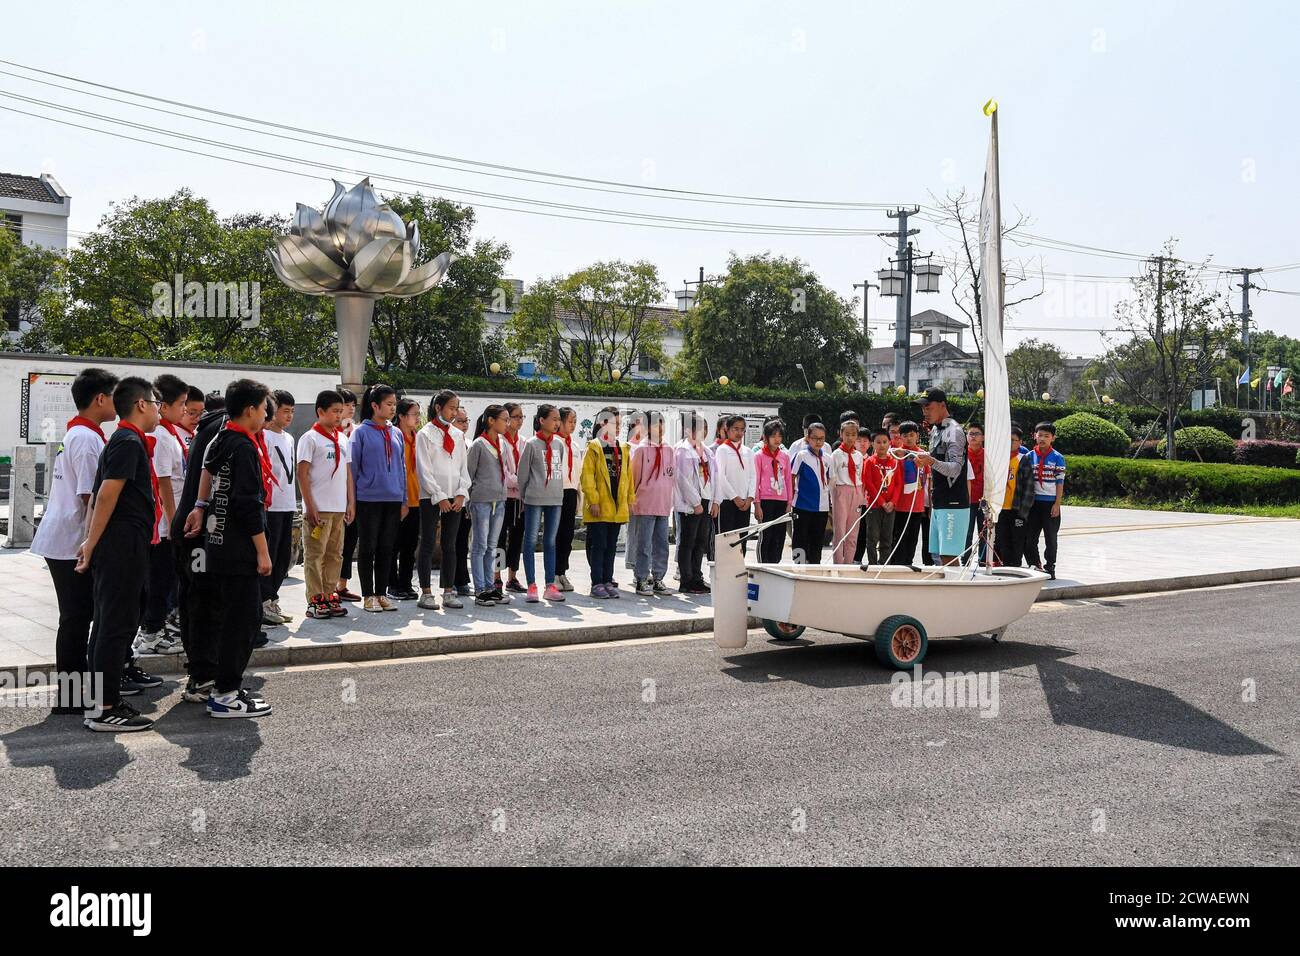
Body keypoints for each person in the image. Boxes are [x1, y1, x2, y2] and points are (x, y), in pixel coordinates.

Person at [76, 377, 163, 732]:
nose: (158, 409)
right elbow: (108, 495)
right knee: (115, 625)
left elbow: (99, 495)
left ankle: (101, 700)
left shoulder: (125, 440)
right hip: (121, 546)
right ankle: (105, 707)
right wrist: (91, 544)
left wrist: (90, 542)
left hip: (122, 544)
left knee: (110, 623)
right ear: (141, 405)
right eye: (156, 402)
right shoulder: (127, 441)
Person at [185, 378, 275, 718]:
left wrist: (199, 505)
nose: (266, 414)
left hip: (216, 543)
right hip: (239, 548)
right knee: (245, 619)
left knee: (227, 617)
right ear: (250, 409)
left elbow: (207, 472)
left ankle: (223, 686)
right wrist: (263, 553)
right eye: (264, 408)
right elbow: (248, 505)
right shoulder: (244, 447)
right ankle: (226, 694)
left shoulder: (221, 437)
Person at [31, 367, 119, 713]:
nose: (117, 403)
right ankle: (69, 697)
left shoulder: (83, 434)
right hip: (71, 541)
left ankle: (75, 690)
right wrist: (94, 544)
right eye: (114, 395)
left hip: (68, 538)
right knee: (76, 617)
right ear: (100, 399)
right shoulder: (86, 439)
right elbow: (90, 497)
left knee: (78, 617)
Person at [135, 373, 188, 655]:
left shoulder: (168, 434)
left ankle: (154, 629)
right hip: (165, 525)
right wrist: (174, 520)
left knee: (163, 579)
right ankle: (152, 633)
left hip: (166, 522)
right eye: (181, 404)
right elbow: (164, 482)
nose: (184, 410)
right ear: (163, 406)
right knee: (160, 580)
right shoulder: (163, 437)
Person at [350, 384, 407, 612]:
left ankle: (381, 593)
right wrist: (351, 501)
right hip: (368, 499)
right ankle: (368, 595)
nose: (393, 408)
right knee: (368, 547)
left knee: (387, 547)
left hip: (393, 499)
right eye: (389, 404)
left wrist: (403, 499)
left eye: (395, 404)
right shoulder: (361, 433)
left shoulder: (396, 432)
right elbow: (353, 469)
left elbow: (401, 467)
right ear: (375, 406)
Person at [297, 390, 353, 620]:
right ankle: (315, 600)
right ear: (320, 411)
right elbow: (302, 474)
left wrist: (351, 502)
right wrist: (310, 506)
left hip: (338, 507)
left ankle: (330, 595)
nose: (339, 416)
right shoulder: (309, 438)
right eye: (334, 411)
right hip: (318, 508)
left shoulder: (342, 438)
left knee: (335, 554)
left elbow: (348, 473)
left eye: (341, 412)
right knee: (315, 554)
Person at [415, 390, 470, 610]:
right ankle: (426, 592)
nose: (454, 412)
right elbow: (424, 470)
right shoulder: (425, 434)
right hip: (431, 496)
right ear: (438, 408)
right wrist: (438, 497)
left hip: (454, 496)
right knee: (428, 542)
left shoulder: (457, 435)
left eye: (457, 408)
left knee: (451, 545)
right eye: (451, 407)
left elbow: (463, 468)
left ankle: (449, 590)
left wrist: (460, 493)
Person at [580, 406, 635, 599]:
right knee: (599, 545)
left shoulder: (623, 448)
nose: (619, 427)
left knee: (611, 546)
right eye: (615, 423)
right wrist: (593, 500)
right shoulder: (594, 447)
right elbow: (587, 477)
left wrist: (629, 500)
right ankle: (597, 582)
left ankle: (608, 579)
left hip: (616, 506)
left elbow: (628, 477)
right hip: (599, 506)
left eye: (620, 424)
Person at [517, 403, 568, 602]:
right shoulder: (531, 444)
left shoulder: (558, 445)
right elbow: (522, 476)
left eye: (558, 420)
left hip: (555, 499)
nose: (557, 423)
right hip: (534, 499)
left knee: (550, 542)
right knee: (530, 541)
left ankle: (550, 585)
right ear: (542, 420)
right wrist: (527, 495)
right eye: (554, 419)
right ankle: (531, 585)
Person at [914, 388, 969, 567]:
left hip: (953, 502)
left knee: (949, 555)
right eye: (923, 408)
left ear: (942, 405)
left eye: (928, 407)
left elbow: (955, 469)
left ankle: (955, 592)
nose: (925, 412)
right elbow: (935, 463)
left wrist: (930, 461)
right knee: (939, 555)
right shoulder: (936, 430)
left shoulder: (954, 430)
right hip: (939, 501)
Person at [467, 405, 511, 606]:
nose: (507, 423)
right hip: (481, 501)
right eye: (504, 419)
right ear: (491, 420)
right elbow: (469, 474)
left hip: (499, 500)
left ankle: (490, 586)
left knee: (492, 546)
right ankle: (480, 589)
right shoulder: (478, 444)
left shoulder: (502, 443)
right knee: (480, 545)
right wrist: (468, 501)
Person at [261, 390, 298, 624]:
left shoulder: (289, 438)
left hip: (287, 504)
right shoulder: (263, 437)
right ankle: (263, 602)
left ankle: (273, 598)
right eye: (285, 411)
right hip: (270, 506)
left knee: (284, 558)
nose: (289, 416)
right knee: (271, 555)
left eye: (292, 412)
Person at [629, 410, 675, 595]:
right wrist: (632, 500)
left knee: (662, 544)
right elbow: (634, 478)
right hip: (645, 504)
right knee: (644, 544)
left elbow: (672, 476)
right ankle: (641, 577)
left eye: (662, 423)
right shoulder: (641, 449)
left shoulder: (668, 449)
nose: (660, 427)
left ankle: (658, 578)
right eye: (656, 423)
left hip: (663, 504)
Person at [674, 412, 715, 594]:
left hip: (705, 499)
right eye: (699, 428)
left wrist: (715, 501)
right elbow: (683, 480)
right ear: (688, 430)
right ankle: (686, 580)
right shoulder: (683, 450)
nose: (703, 432)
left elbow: (714, 477)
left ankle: (697, 577)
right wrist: (696, 503)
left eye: (705, 428)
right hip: (691, 504)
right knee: (688, 542)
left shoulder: (705, 451)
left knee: (701, 542)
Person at [388, 397, 423, 603]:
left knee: (410, 546)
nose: (417, 418)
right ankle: (392, 584)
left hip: (417, 498)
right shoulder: (394, 437)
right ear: (401, 416)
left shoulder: (419, 438)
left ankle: (406, 583)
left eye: (419, 414)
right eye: (414, 414)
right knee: (393, 545)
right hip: (398, 499)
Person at [1023, 421, 1066, 579]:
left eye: (1046, 436)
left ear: (1053, 438)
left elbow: (1060, 483)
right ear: (1034, 436)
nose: (1042, 438)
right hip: (1033, 504)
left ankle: (1050, 567)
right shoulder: (1028, 457)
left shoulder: (1057, 458)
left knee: (1050, 538)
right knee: (1030, 538)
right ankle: (1035, 564)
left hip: (1050, 504)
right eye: (1039, 435)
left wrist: (1057, 504)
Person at [788, 423, 830, 564]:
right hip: (802, 505)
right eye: (814, 438)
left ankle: (814, 566)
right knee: (800, 537)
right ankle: (798, 565)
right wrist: (791, 497)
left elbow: (830, 480)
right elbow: (792, 476)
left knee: (817, 539)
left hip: (821, 507)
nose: (818, 441)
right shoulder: (801, 456)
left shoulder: (827, 458)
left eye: (821, 438)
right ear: (807, 438)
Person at [995, 424, 1035, 568]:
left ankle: (1016, 569)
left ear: (1020, 442)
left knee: (1017, 542)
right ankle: (1006, 568)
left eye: (1012, 440)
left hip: (1016, 509)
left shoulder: (1022, 459)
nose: (1009, 443)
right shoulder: (998, 459)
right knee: (1003, 542)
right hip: (1000, 509)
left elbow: (1029, 489)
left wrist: (1022, 514)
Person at [752, 419, 792, 563]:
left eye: (779, 436)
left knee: (779, 536)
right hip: (765, 500)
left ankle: (775, 565)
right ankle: (763, 567)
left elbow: (788, 480)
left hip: (781, 500)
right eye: (773, 436)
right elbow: (755, 482)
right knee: (766, 535)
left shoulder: (785, 456)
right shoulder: (758, 456)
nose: (777, 439)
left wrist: (789, 502)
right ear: (766, 437)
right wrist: (757, 504)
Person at [496, 402, 526, 594]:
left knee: (517, 537)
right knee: (499, 538)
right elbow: (503, 473)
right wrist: (520, 481)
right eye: (515, 417)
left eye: (521, 417)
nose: (519, 421)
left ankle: (512, 576)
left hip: (521, 499)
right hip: (504, 496)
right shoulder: (499, 441)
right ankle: (496, 576)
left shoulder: (524, 442)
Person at [714, 415, 756, 552]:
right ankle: (725, 571)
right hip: (727, 501)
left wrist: (750, 497)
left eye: (742, 430)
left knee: (741, 539)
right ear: (727, 429)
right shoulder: (722, 450)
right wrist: (734, 497)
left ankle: (739, 570)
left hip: (745, 502)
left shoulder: (748, 451)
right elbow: (721, 476)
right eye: (735, 429)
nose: (739, 433)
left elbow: (752, 475)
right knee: (727, 539)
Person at [335, 387, 361, 603]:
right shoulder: (327, 431)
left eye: (353, 405)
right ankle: (327, 586)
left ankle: (342, 584)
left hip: (354, 494)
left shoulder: (357, 430)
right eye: (347, 404)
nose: (351, 408)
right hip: (332, 496)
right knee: (332, 544)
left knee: (351, 540)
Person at [860, 428, 900, 566]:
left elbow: (898, 484)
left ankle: (884, 564)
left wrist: (893, 502)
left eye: (884, 442)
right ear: (873, 444)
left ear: (889, 443)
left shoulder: (895, 462)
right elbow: (869, 484)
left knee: (887, 538)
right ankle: (872, 564)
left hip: (890, 507)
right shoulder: (870, 462)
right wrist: (882, 502)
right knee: (872, 537)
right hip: (875, 506)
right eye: (878, 442)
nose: (882, 445)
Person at [890, 422, 929, 565]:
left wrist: (929, 504)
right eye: (905, 435)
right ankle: (898, 565)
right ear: (900, 437)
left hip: (918, 505)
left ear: (917, 436)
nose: (908, 439)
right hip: (900, 504)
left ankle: (909, 564)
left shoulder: (923, 454)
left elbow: (927, 480)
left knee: (913, 538)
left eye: (912, 435)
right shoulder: (895, 454)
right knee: (899, 537)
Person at [554, 406, 583, 592]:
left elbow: (578, 473)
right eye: (570, 421)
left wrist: (579, 498)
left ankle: (562, 571)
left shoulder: (574, 445)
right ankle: (553, 574)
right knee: (555, 535)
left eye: (574, 421)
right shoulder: (554, 442)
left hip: (571, 491)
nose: (572, 425)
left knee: (567, 535)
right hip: (557, 492)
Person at [829, 418, 865, 564]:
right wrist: (834, 498)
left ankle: (848, 564)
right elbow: (832, 478)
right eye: (847, 434)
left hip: (856, 491)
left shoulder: (859, 456)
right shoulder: (836, 455)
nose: (850, 438)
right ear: (841, 434)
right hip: (840, 492)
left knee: (852, 532)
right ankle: (838, 564)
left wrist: (861, 496)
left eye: (853, 434)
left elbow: (859, 475)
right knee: (840, 532)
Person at [451, 407, 474, 598]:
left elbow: (470, 474)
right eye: (460, 421)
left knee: (462, 542)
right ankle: (450, 580)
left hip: (465, 498)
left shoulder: (469, 443)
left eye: (466, 421)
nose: (464, 425)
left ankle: (462, 579)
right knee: (451, 542)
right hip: (448, 497)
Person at [623, 411, 647, 576]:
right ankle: (633, 564)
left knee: (646, 534)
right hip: (635, 496)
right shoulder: (628, 448)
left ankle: (645, 567)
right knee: (635, 531)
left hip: (649, 497)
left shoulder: (650, 446)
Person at [964, 423, 986, 562]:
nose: (973, 436)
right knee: (966, 532)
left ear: (983, 437)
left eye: (976, 434)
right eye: (970, 433)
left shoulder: (988, 455)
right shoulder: (962, 454)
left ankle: (983, 561)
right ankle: (964, 560)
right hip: (967, 500)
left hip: (984, 501)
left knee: (983, 532)